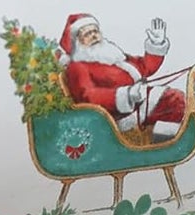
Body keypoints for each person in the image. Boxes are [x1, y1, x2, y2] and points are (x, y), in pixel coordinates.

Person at [58, 12, 186, 139]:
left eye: (95, 31)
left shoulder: (110, 54)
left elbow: (143, 68)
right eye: (87, 34)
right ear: (77, 41)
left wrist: (156, 44)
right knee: (174, 100)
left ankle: (167, 138)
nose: (94, 36)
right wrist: (127, 94)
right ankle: (168, 141)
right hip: (118, 115)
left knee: (176, 99)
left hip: (139, 101)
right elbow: (88, 96)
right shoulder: (78, 66)